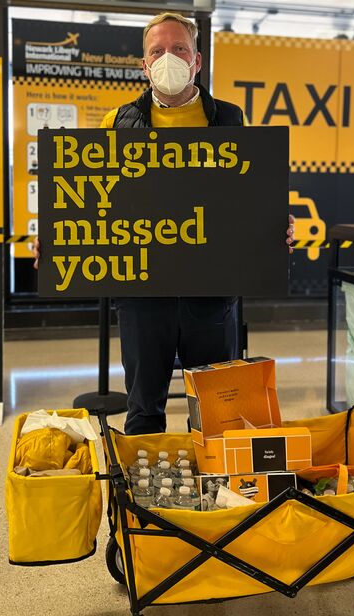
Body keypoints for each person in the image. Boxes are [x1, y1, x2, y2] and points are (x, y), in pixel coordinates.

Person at [34, 12, 294, 435]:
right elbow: (89, 199)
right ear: (144, 64)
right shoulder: (117, 122)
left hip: (211, 291)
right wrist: (57, 239)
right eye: (157, 51)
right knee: (142, 410)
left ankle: (216, 494)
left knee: (216, 412)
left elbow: (248, 196)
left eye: (179, 49)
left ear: (197, 61)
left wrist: (274, 224)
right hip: (141, 293)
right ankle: (147, 499)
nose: (167, 58)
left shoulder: (230, 120)